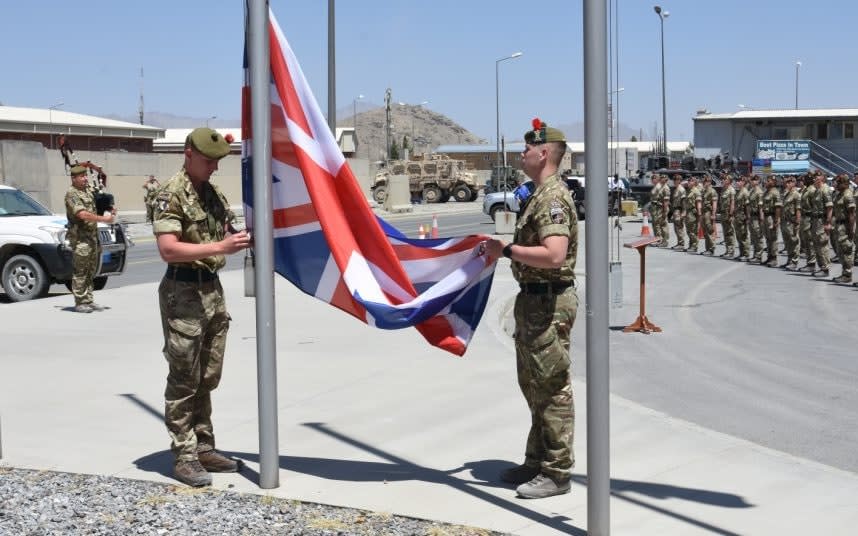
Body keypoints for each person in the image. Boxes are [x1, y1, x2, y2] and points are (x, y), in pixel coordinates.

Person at [152, 127, 251, 487]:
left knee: (207, 376)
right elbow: (169, 249)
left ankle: (204, 445)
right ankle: (184, 454)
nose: (214, 168)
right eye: (209, 161)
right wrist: (220, 249)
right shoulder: (170, 195)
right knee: (183, 379)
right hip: (182, 292)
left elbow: (227, 229)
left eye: (217, 162)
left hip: (211, 292)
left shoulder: (212, 193)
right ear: (188, 153)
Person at [484, 119, 577, 499]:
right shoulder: (538, 194)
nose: (521, 154)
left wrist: (505, 250)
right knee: (534, 384)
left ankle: (557, 473)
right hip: (534, 300)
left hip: (549, 300)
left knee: (552, 386)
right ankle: (537, 460)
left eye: (526, 149)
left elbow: (554, 254)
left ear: (544, 153)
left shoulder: (552, 198)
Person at [64, 165, 116, 313]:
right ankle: (80, 302)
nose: (85, 178)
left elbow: (101, 198)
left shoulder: (87, 190)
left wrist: (109, 206)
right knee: (80, 271)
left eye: (86, 175)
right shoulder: (72, 194)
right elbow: (82, 214)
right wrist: (103, 219)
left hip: (92, 236)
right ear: (74, 178)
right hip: (80, 238)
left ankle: (89, 300)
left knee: (90, 270)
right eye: (82, 176)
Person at [831, 174, 856, 283]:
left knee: (846, 250)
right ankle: (844, 273)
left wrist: (851, 231)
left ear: (845, 183)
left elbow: (851, 215)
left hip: (846, 225)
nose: (836, 184)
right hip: (839, 225)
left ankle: (847, 275)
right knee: (840, 250)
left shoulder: (848, 195)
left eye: (838, 182)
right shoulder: (839, 194)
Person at [780, 176, 801, 270]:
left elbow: (798, 209)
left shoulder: (796, 194)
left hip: (792, 222)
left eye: (789, 182)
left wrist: (797, 222)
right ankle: (789, 260)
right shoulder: (786, 193)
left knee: (794, 242)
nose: (786, 184)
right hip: (785, 221)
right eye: (786, 182)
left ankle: (794, 261)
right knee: (787, 242)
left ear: (793, 183)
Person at [761, 175, 782, 267]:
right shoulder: (766, 192)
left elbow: (777, 207)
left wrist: (776, 220)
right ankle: (769, 257)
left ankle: (774, 258)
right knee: (768, 238)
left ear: (773, 182)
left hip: (771, 217)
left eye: (768, 180)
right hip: (766, 216)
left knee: (773, 238)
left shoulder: (775, 193)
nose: (766, 182)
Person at [798, 174, 817, 272]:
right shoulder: (806, 189)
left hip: (809, 218)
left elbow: (815, 206)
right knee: (806, 242)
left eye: (805, 179)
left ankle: (812, 263)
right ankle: (809, 262)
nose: (803, 180)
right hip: (804, 218)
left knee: (810, 242)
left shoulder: (812, 190)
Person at [700, 174, 718, 255]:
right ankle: (707, 248)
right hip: (704, 211)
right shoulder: (703, 190)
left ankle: (712, 248)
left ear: (709, 182)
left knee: (709, 230)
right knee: (705, 231)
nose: (704, 182)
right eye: (703, 181)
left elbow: (714, 203)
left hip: (708, 212)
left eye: (705, 181)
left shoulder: (712, 191)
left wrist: (713, 214)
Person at [718, 175, 736, 258]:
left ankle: (731, 251)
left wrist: (731, 214)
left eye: (725, 179)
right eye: (723, 179)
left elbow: (732, 203)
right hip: (723, 214)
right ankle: (727, 250)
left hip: (728, 214)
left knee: (730, 233)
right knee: (725, 233)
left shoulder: (731, 190)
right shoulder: (723, 190)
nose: (723, 180)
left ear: (729, 181)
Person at [733, 175, 750, 261]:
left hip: (742, 217)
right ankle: (741, 253)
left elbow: (747, 206)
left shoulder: (745, 192)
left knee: (743, 236)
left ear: (743, 182)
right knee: (739, 236)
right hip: (738, 216)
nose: (737, 182)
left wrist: (747, 217)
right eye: (737, 181)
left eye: (739, 181)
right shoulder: (738, 192)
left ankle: (746, 254)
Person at [685, 176, 702, 254]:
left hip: (693, 212)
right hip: (688, 212)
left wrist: (699, 214)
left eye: (691, 181)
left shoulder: (696, 191)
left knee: (693, 230)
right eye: (688, 181)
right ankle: (691, 245)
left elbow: (698, 203)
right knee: (689, 230)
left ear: (695, 182)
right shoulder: (689, 190)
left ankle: (694, 246)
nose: (689, 182)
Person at [670, 176, 687, 250]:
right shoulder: (676, 189)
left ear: (680, 180)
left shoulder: (681, 189)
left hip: (679, 210)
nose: (674, 181)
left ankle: (681, 244)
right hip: (675, 210)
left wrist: (684, 212)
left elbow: (683, 202)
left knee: (679, 227)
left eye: (676, 179)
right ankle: (679, 242)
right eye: (674, 179)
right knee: (676, 228)